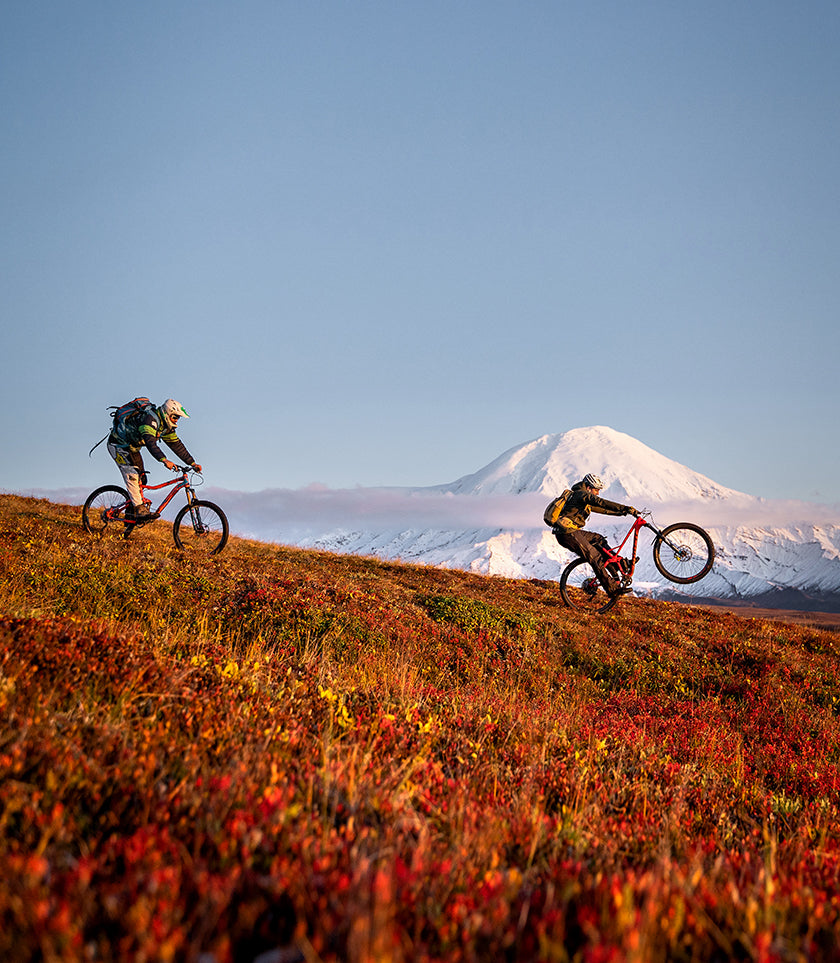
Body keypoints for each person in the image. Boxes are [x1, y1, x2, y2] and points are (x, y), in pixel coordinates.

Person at [107, 398, 203, 523]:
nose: (176, 420)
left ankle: (131, 517)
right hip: (118, 445)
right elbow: (150, 443)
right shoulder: (150, 420)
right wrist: (164, 460)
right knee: (132, 475)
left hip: (132, 448)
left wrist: (192, 463)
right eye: (175, 417)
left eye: (178, 418)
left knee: (142, 479)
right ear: (167, 413)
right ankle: (139, 509)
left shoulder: (164, 426)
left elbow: (177, 445)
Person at [552, 473, 637, 595]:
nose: (597, 493)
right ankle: (612, 589)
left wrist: (623, 512)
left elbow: (604, 510)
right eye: (596, 490)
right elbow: (601, 502)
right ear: (588, 487)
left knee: (598, 539)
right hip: (567, 533)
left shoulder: (581, 498)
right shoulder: (581, 495)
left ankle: (619, 564)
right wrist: (625, 507)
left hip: (572, 531)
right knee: (595, 557)